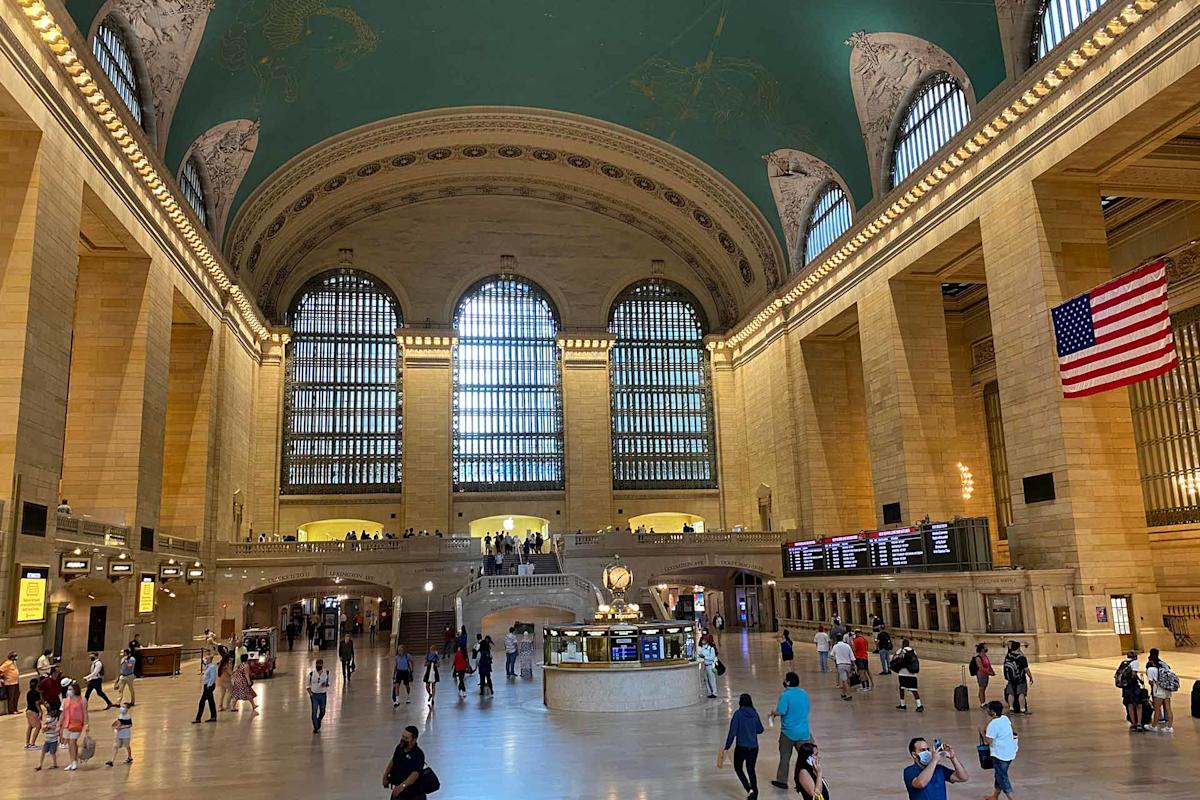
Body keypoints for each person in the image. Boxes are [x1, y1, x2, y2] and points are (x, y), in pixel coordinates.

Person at [767, 672, 812, 790]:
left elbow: (781, 711)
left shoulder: (785, 695)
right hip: (803, 732)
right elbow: (807, 708)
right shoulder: (804, 694)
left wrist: (772, 712)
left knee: (785, 757)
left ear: (787, 682)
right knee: (805, 758)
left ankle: (782, 781)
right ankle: (807, 780)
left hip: (788, 732)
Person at [721, 692, 763, 800]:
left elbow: (732, 732)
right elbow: (760, 729)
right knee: (751, 769)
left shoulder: (738, 714)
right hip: (754, 747)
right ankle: (755, 792)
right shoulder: (755, 713)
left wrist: (727, 746)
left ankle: (749, 789)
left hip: (741, 748)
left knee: (738, 768)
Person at [903, 737, 968, 800]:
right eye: (922, 750)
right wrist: (934, 761)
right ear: (914, 755)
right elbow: (920, 783)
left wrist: (953, 758)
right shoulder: (910, 771)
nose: (927, 752)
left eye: (928, 749)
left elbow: (963, 777)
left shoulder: (939, 769)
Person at [981, 701, 1018, 800]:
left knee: (1002, 778)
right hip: (1009, 752)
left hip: (999, 755)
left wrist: (982, 732)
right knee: (999, 775)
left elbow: (988, 741)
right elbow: (1012, 730)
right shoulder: (1005, 718)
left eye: (988, 709)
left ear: (992, 712)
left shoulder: (993, 725)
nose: (987, 711)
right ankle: (995, 796)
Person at [382, 725, 427, 799]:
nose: (403, 740)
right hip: (399, 790)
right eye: (402, 736)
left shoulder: (418, 754)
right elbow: (394, 760)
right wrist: (386, 774)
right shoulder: (399, 748)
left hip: (414, 794)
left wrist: (402, 786)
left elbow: (415, 774)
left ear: (414, 740)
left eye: (406, 738)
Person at [59, 679, 88, 770]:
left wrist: (86, 724)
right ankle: (72, 761)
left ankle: (74, 761)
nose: (69, 691)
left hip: (77, 724)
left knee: (72, 742)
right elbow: (63, 713)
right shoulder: (66, 701)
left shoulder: (82, 700)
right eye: (68, 689)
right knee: (69, 743)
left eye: (71, 689)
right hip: (67, 724)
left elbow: (85, 713)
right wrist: (59, 724)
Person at [1146, 647, 1176, 734]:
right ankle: (1169, 727)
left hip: (1158, 690)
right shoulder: (1163, 665)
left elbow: (1151, 682)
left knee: (1157, 709)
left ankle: (1153, 726)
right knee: (1168, 708)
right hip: (1167, 689)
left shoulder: (1150, 669)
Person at [1116, 649, 1144, 731]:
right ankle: (1139, 723)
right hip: (1133, 685)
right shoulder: (1134, 663)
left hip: (1125, 686)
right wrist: (1139, 680)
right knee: (1139, 704)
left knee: (1130, 704)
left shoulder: (1124, 663)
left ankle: (1133, 723)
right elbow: (1134, 674)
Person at [893, 639, 923, 712]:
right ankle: (919, 705)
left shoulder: (901, 650)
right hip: (912, 674)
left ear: (903, 644)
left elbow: (894, 658)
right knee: (914, 690)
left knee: (901, 688)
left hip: (903, 673)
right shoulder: (913, 651)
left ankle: (902, 704)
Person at [1002, 641, 1032, 715]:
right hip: (1020, 679)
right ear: (1019, 647)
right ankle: (1022, 709)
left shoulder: (1008, 656)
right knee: (1021, 693)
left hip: (1011, 679)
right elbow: (1026, 669)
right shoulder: (1021, 658)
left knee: (1010, 693)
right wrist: (1030, 676)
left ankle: (1011, 708)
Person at [104, 703, 133, 767]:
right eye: (121, 707)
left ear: (127, 709)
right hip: (119, 734)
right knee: (115, 746)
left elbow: (130, 725)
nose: (121, 708)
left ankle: (129, 757)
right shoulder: (120, 716)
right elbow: (118, 723)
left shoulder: (128, 717)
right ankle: (111, 761)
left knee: (127, 746)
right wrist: (115, 726)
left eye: (124, 707)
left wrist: (122, 727)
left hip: (126, 734)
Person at [307, 658, 331, 732]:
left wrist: (326, 684)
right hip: (314, 695)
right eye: (317, 664)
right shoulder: (311, 674)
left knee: (322, 711)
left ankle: (319, 720)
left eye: (320, 664)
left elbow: (329, 682)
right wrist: (310, 694)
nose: (318, 666)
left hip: (323, 695)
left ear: (322, 665)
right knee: (314, 711)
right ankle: (316, 726)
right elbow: (307, 685)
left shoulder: (326, 673)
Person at [192, 655, 218, 723]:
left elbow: (213, 677)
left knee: (202, 701)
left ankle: (198, 718)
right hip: (206, 686)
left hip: (209, 686)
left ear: (210, 660)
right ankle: (213, 716)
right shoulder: (208, 666)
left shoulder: (212, 667)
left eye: (207, 659)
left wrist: (209, 686)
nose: (205, 660)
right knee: (210, 701)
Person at [830, 633, 855, 701]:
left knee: (844, 681)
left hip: (840, 664)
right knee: (847, 680)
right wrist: (853, 666)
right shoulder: (847, 646)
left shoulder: (835, 646)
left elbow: (831, 655)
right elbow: (852, 657)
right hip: (848, 664)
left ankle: (849, 695)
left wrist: (836, 659)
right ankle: (843, 693)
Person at [35, 706, 60, 771]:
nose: (49, 718)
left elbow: (57, 729)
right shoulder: (46, 723)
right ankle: (40, 764)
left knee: (52, 752)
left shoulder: (56, 723)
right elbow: (43, 731)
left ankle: (55, 764)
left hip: (53, 741)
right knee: (43, 752)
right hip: (47, 740)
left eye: (51, 717)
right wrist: (45, 728)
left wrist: (51, 727)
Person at [970, 643, 994, 708]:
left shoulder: (985, 656)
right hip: (981, 674)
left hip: (986, 674)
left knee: (984, 688)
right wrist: (989, 672)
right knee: (981, 688)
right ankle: (982, 703)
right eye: (985, 647)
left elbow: (988, 664)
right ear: (982, 649)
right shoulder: (978, 658)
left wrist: (991, 670)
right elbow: (981, 667)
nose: (987, 648)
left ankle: (983, 702)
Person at [25, 678, 43, 749]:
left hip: (28, 711)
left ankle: (27, 743)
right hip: (33, 711)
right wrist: (41, 712)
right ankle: (32, 743)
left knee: (30, 726)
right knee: (38, 726)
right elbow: (37, 703)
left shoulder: (29, 693)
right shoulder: (37, 693)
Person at [1, 650, 20, 715]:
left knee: (16, 695)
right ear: (12, 657)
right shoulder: (7, 663)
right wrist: (1, 678)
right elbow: (1, 670)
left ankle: (15, 709)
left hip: (16, 681)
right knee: (11, 697)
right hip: (10, 682)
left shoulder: (13, 663)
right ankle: (11, 710)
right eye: (15, 656)